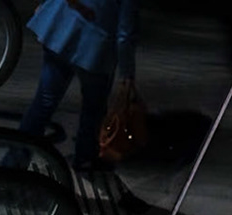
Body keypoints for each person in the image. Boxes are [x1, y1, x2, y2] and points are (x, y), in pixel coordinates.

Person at [17, 0, 140, 172]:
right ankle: (85, 159)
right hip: (96, 47)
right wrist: (127, 73)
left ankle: (14, 161)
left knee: (44, 102)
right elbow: (125, 33)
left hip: (62, 27)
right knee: (93, 109)